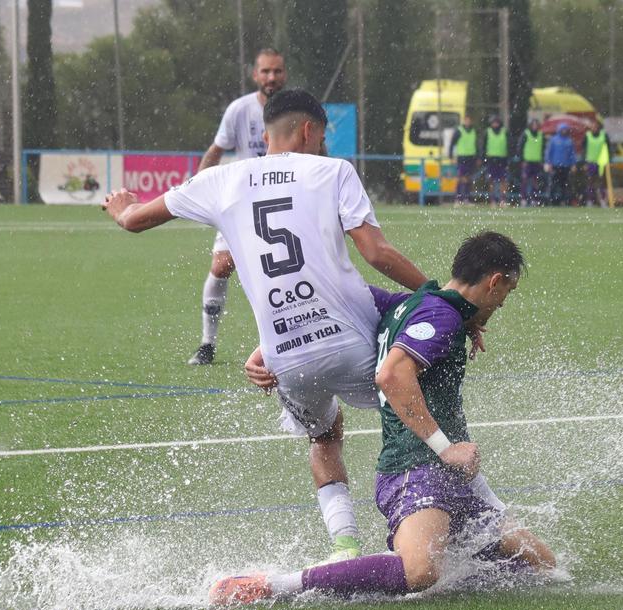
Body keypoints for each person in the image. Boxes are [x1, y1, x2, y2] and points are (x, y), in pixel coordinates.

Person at [102, 89, 429, 562]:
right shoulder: (333, 171)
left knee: (324, 437)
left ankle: (344, 547)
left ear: (264, 133)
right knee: (417, 408)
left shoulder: (221, 180)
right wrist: (438, 294)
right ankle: (450, 518)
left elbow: (133, 221)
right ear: (309, 131)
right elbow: (376, 253)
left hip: (286, 359)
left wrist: (121, 206)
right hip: (354, 342)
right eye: (321, 137)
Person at [208, 232, 556, 606]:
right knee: (421, 570)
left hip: (453, 478)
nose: (503, 302)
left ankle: (453, 549)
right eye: (508, 291)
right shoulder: (440, 316)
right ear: (495, 281)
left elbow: (330, 305)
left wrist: (270, 348)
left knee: (541, 567)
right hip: (415, 469)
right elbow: (391, 375)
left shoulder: (409, 304)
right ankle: (273, 585)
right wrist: (446, 448)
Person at [186, 48, 288, 366]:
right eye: (265, 71)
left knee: (282, 275)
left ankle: (285, 342)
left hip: (285, 201)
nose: (271, 77)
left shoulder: (295, 108)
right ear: (255, 74)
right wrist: (200, 189)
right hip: (242, 201)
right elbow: (216, 150)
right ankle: (206, 344)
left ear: (284, 74)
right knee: (220, 267)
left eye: (277, 71)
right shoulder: (239, 110)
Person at [449, 114, 479, 205]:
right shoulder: (459, 131)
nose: (468, 122)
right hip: (462, 157)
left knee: (468, 179)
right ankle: (457, 199)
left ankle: (466, 199)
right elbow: (452, 143)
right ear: (464, 121)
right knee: (460, 178)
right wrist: (450, 155)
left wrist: (478, 157)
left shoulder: (474, 131)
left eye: (469, 120)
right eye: (466, 120)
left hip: (471, 158)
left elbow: (477, 145)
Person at [545, 123, 577, 206]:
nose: (564, 131)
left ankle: (564, 201)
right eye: (563, 129)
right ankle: (551, 201)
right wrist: (548, 163)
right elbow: (549, 152)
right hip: (555, 165)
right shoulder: (554, 140)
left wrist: (573, 164)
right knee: (553, 184)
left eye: (565, 129)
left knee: (565, 185)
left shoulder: (569, 141)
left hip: (566, 166)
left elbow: (572, 154)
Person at [518, 119, 545, 206]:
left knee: (536, 182)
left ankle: (534, 198)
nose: (535, 126)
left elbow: (543, 149)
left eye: (536, 125)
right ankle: (523, 198)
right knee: (525, 180)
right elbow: (520, 147)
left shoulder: (541, 135)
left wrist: (543, 160)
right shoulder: (526, 134)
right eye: (533, 125)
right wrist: (522, 160)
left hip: (537, 162)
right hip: (527, 162)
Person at [484, 116, 510, 205]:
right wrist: (483, 157)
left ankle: (503, 199)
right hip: (491, 159)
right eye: (493, 123)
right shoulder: (487, 132)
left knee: (503, 180)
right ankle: (492, 199)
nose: (495, 124)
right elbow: (483, 145)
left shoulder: (504, 132)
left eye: (496, 122)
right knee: (491, 180)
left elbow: (509, 144)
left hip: (502, 159)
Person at [583, 120, 608, 207]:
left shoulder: (604, 135)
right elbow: (584, 150)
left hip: (601, 163)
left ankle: (602, 200)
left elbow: (608, 148)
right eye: (592, 126)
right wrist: (584, 162)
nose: (594, 128)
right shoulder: (587, 136)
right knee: (590, 182)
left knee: (601, 183)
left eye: (595, 126)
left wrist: (608, 160)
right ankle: (590, 200)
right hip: (590, 162)